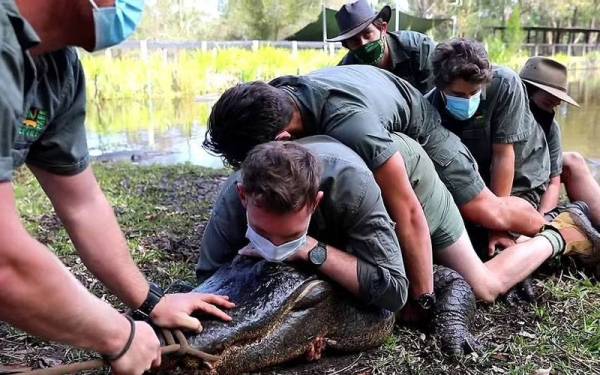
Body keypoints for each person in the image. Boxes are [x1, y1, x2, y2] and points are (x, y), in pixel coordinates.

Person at [0, 1, 233, 374]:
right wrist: (119, 337)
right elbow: (3, 261)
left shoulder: (58, 71)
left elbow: (83, 204)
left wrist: (151, 301)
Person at [198, 137, 598, 311]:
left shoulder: (352, 189)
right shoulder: (239, 195)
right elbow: (209, 278)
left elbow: (393, 292)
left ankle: (561, 232)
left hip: (412, 182)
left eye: (287, 235)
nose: (273, 244)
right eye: (264, 233)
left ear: (316, 203)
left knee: (482, 286)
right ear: (244, 197)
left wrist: (309, 250)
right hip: (344, 183)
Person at [426, 39, 551, 255]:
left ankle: (559, 230)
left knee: (498, 246)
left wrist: (499, 225)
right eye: (458, 95)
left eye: (474, 93)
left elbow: (503, 155)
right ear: (440, 87)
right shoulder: (428, 108)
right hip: (476, 182)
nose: (468, 100)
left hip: (519, 174)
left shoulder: (505, 84)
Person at [520, 56, 600, 226]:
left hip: (535, 180)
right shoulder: (501, 114)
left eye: (555, 105)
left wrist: (542, 222)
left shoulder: (550, 127)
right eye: (547, 102)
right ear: (525, 91)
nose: (551, 110)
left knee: (574, 160)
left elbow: (554, 182)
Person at [328, 0, 436, 94]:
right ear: (347, 46)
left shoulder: (420, 49)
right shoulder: (348, 69)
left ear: (383, 28)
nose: (363, 43)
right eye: (355, 41)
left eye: (367, 34)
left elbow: (435, 97)